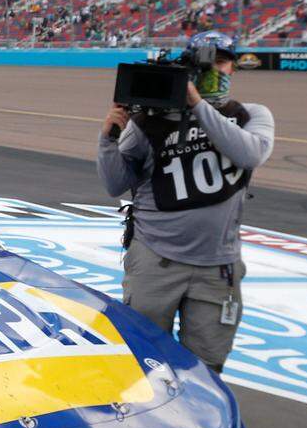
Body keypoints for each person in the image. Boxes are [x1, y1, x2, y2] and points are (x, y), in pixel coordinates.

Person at [98, 31, 274, 371]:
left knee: (206, 367)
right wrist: (108, 138)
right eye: (205, 64)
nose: (215, 71)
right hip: (155, 259)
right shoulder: (150, 121)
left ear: (234, 67)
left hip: (216, 265)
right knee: (144, 360)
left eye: (222, 62)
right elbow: (115, 183)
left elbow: (249, 154)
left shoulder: (251, 115)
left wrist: (197, 105)